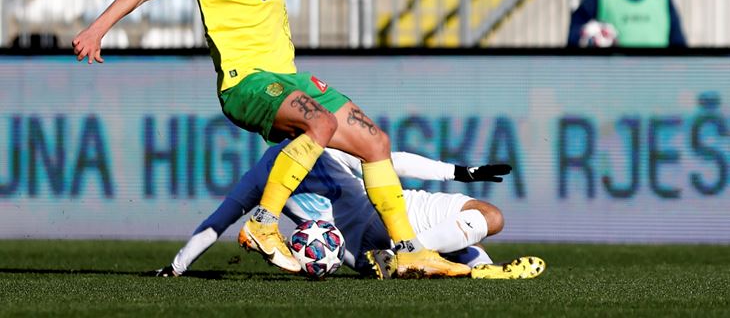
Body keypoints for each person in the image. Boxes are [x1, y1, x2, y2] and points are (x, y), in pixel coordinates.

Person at [72, 0, 468, 277]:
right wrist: (96, 30)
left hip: (289, 78)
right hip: (247, 84)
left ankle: (408, 250)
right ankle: (263, 223)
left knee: (375, 142)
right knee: (321, 123)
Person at [155, 142, 545, 280]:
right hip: (361, 248)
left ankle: (458, 268)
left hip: (395, 207)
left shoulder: (322, 141)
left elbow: (389, 161)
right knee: (465, 241)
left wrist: (460, 172)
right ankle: (464, 268)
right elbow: (219, 221)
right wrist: (178, 265)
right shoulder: (263, 175)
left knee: (490, 217)